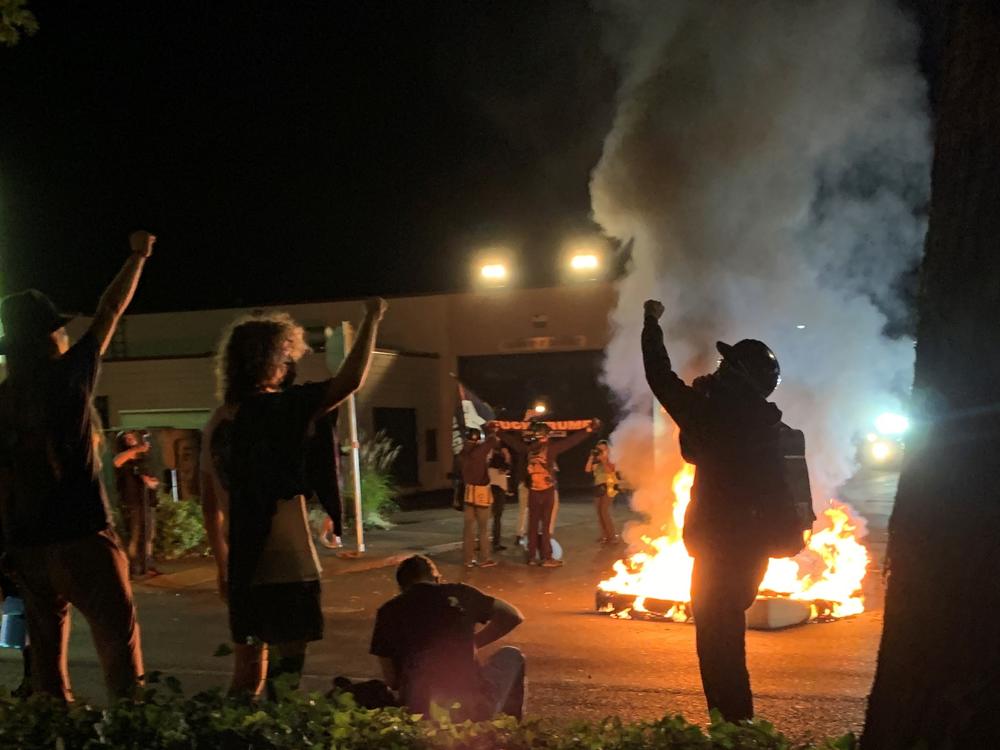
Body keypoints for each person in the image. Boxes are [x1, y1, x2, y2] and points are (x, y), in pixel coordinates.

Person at [200, 298, 386, 698]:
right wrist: (372, 319)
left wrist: (222, 565)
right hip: (288, 565)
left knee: (246, 678)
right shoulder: (281, 409)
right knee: (285, 680)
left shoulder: (218, 419)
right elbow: (348, 382)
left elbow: (209, 502)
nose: (289, 366)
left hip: (244, 567)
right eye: (285, 356)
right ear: (267, 360)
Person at [0, 230, 154, 702]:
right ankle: (131, 731)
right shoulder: (68, 376)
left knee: (48, 669)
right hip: (84, 536)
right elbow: (109, 312)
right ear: (50, 336)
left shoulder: (2, 398)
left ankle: (54, 732)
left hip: (28, 549)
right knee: (121, 658)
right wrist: (137, 256)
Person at [641, 298, 785, 722]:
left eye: (727, 367)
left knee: (717, 642)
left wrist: (651, 323)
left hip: (718, 550)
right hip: (753, 551)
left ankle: (733, 725)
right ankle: (734, 723)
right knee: (727, 636)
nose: (717, 371)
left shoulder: (714, 418)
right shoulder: (765, 421)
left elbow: (660, 377)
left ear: (739, 376)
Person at [370, 555, 525, 720]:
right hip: (469, 704)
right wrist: (475, 642)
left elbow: (392, 680)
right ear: (436, 578)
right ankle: (507, 730)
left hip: (418, 707)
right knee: (511, 656)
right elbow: (513, 615)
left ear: (401, 587)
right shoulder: (459, 593)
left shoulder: (388, 611)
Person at [498, 419, 599, 567]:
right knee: (545, 526)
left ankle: (531, 557)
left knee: (532, 525)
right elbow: (571, 441)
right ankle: (547, 557)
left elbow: (513, 443)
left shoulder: (528, 450)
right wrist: (588, 430)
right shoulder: (550, 449)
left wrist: (498, 431)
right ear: (546, 435)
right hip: (547, 491)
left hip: (533, 490)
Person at [113, 431, 161, 577]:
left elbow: (152, 476)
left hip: (146, 500)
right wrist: (136, 449)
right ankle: (134, 567)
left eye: (132, 437)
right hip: (132, 501)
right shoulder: (125, 456)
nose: (130, 439)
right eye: (127, 438)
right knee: (135, 535)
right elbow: (117, 461)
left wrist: (152, 482)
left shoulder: (143, 458)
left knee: (148, 534)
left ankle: (148, 564)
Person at [459, 426, 499, 568]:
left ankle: (468, 559)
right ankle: (485, 558)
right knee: (483, 528)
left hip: (468, 492)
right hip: (482, 492)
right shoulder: (479, 451)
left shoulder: (462, 454)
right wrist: (491, 430)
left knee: (468, 528)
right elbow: (492, 441)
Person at [586, 440, 620, 544]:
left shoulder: (611, 458)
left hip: (609, 486)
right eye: (598, 449)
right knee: (599, 512)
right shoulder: (596, 460)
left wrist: (604, 460)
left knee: (604, 511)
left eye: (603, 449)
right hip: (598, 486)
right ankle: (604, 535)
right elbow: (587, 470)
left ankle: (612, 536)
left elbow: (610, 470)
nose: (600, 451)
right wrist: (591, 457)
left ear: (608, 449)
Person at [487, 446, 512, 552]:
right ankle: (496, 543)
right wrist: (507, 456)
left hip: (488, 488)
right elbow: (505, 469)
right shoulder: (501, 463)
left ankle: (483, 542)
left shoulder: (489, 463)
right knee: (497, 517)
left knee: (486, 518)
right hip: (499, 489)